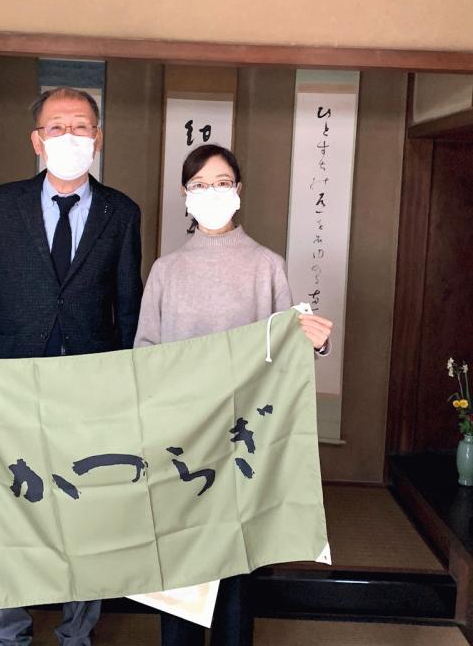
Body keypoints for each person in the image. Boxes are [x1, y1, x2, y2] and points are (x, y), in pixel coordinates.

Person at [0, 87, 143, 646]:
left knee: (87, 509)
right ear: (37, 140)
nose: (70, 136)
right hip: (11, 380)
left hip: (91, 383)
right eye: (57, 126)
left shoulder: (121, 212)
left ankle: (76, 634)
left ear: (98, 138)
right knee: (6, 505)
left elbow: (130, 303)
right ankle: (11, 634)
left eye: (81, 126)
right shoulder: (4, 204)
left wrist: (136, 382)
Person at [134, 143, 332, 646]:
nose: (212, 193)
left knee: (239, 561)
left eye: (222, 183)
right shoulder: (166, 270)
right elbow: (145, 353)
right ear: (185, 195)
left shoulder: (267, 266)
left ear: (238, 190)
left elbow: (285, 353)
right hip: (181, 436)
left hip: (244, 438)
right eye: (200, 185)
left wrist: (315, 342)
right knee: (179, 557)